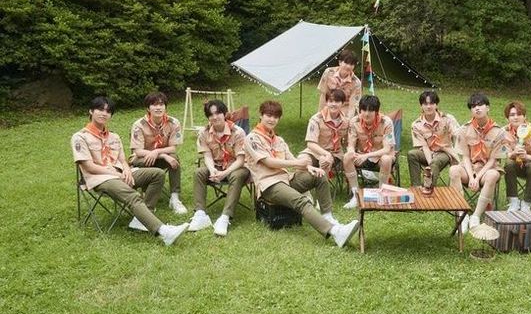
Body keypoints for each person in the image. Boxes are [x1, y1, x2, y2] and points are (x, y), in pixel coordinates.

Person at [71, 96, 188, 245]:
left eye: (108, 111)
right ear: (91, 111)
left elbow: (122, 160)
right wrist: (116, 174)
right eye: (100, 110)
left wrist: (126, 170)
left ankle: (143, 217)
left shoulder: (114, 136)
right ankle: (163, 232)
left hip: (121, 174)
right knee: (133, 196)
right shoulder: (80, 137)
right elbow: (88, 166)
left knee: (157, 174)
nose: (104, 114)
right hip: (100, 178)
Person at [244, 100, 360, 248]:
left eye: (275, 116)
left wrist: (310, 168)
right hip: (269, 185)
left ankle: (328, 217)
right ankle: (335, 232)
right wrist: (297, 164)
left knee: (320, 176)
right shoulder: (252, 138)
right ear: (261, 115)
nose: (272, 119)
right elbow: (268, 162)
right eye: (268, 115)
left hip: (287, 179)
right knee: (301, 201)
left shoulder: (278, 140)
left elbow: (292, 159)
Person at [188, 100, 250, 237]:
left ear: (224, 114)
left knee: (236, 175)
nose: (214, 117)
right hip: (216, 166)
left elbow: (241, 160)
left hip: (236, 167)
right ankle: (200, 214)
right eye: (211, 115)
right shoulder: (204, 133)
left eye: (218, 113)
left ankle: (225, 217)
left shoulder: (238, 132)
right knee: (199, 172)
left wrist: (225, 173)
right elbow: (207, 156)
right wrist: (212, 170)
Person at [449, 93, 509, 232]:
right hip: (469, 167)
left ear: (487, 108)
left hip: (488, 168)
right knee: (453, 170)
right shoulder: (464, 129)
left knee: (493, 175)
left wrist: (478, 177)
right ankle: (461, 214)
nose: (477, 108)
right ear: (471, 110)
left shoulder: (498, 132)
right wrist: (471, 177)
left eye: (480, 105)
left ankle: (476, 216)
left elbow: (493, 160)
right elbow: (465, 157)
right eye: (473, 106)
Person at [129, 92, 187, 214]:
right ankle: (147, 196)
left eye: (161, 104)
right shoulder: (139, 125)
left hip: (161, 157)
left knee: (174, 158)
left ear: (165, 107)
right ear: (148, 108)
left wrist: (157, 152)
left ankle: (175, 198)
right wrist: (162, 155)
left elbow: (173, 148)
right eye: (154, 105)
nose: (158, 108)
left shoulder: (173, 122)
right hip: (142, 158)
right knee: (161, 158)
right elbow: (137, 151)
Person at [342, 95, 396, 209]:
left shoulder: (386, 122)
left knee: (386, 159)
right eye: (364, 110)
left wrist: (367, 155)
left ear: (377, 111)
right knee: (347, 156)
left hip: (380, 156)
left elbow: (387, 149)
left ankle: (383, 194)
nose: (366, 113)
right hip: (361, 155)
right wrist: (352, 152)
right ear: (360, 110)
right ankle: (355, 196)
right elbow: (350, 145)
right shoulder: (354, 121)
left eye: (371, 110)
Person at [407, 90, 460, 192]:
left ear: (436, 105)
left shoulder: (447, 119)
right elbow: (424, 146)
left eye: (431, 103)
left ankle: (428, 189)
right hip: (427, 152)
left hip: (444, 152)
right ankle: (416, 188)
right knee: (412, 154)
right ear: (421, 106)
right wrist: (430, 162)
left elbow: (457, 135)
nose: (429, 107)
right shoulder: (416, 125)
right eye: (425, 104)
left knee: (435, 162)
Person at [502, 101, 531, 212]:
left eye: (519, 114)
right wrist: (513, 154)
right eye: (512, 115)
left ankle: (526, 203)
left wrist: (527, 156)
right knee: (509, 163)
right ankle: (513, 201)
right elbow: (505, 154)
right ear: (507, 118)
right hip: (517, 165)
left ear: (525, 116)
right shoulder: (504, 132)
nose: (515, 117)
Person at [301, 89, 349, 174]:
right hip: (315, 152)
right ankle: (303, 184)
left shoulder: (345, 121)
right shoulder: (316, 119)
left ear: (343, 103)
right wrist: (325, 153)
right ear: (326, 102)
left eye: (337, 101)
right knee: (301, 161)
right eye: (330, 101)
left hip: (335, 154)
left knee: (325, 161)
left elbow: (348, 142)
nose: (333, 104)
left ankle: (322, 185)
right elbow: (310, 143)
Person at [317, 50, 362, 119]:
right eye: (346, 63)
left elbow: (353, 105)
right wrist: (320, 114)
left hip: (345, 111)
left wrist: (348, 121)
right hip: (329, 107)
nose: (348, 66)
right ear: (340, 62)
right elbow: (323, 95)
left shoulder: (356, 83)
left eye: (351, 64)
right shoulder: (328, 73)